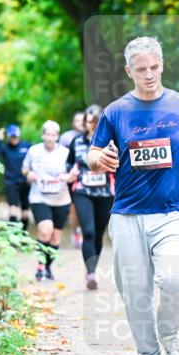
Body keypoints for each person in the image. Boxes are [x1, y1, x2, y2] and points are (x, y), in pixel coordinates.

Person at [88, 36, 179, 355]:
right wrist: (100, 160)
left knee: (175, 278)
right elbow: (92, 153)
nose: (149, 75)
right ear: (129, 71)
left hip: (174, 210)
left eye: (154, 67)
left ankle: (171, 339)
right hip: (128, 212)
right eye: (141, 70)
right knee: (135, 294)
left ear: (162, 65)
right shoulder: (115, 111)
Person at [67, 104, 114, 290]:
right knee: (88, 231)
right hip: (82, 191)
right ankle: (91, 273)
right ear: (85, 123)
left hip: (105, 192)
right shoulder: (77, 141)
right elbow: (68, 164)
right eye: (89, 121)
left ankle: (92, 268)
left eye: (96, 121)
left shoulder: (112, 142)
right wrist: (69, 173)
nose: (92, 125)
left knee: (99, 233)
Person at [23, 120, 74, 281]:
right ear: (43, 135)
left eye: (53, 135)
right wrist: (28, 175)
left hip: (61, 198)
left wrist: (67, 177)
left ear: (57, 136)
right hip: (39, 197)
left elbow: (74, 172)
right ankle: (40, 265)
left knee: (55, 237)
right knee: (45, 230)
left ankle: (48, 267)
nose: (50, 137)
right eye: (47, 134)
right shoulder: (33, 151)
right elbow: (25, 169)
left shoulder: (66, 153)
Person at [0, 124, 31, 231]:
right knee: (13, 208)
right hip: (11, 182)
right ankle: (13, 234)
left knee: (25, 211)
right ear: (9, 136)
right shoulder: (5, 147)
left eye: (15, 136)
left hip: (25, 182)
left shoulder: (27, 146)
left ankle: (23, 234)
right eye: (12, 136)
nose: (14, 139)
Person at [61, 111, 86, 249]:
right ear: (73, 123)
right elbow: (62, 158)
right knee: (74, 205)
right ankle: (76, 229)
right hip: (72, 176)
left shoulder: (94, 135)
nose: (80, 123)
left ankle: (86, 229)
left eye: (82, 120)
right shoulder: (66, 137)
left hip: (91, 177)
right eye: (77, 120)